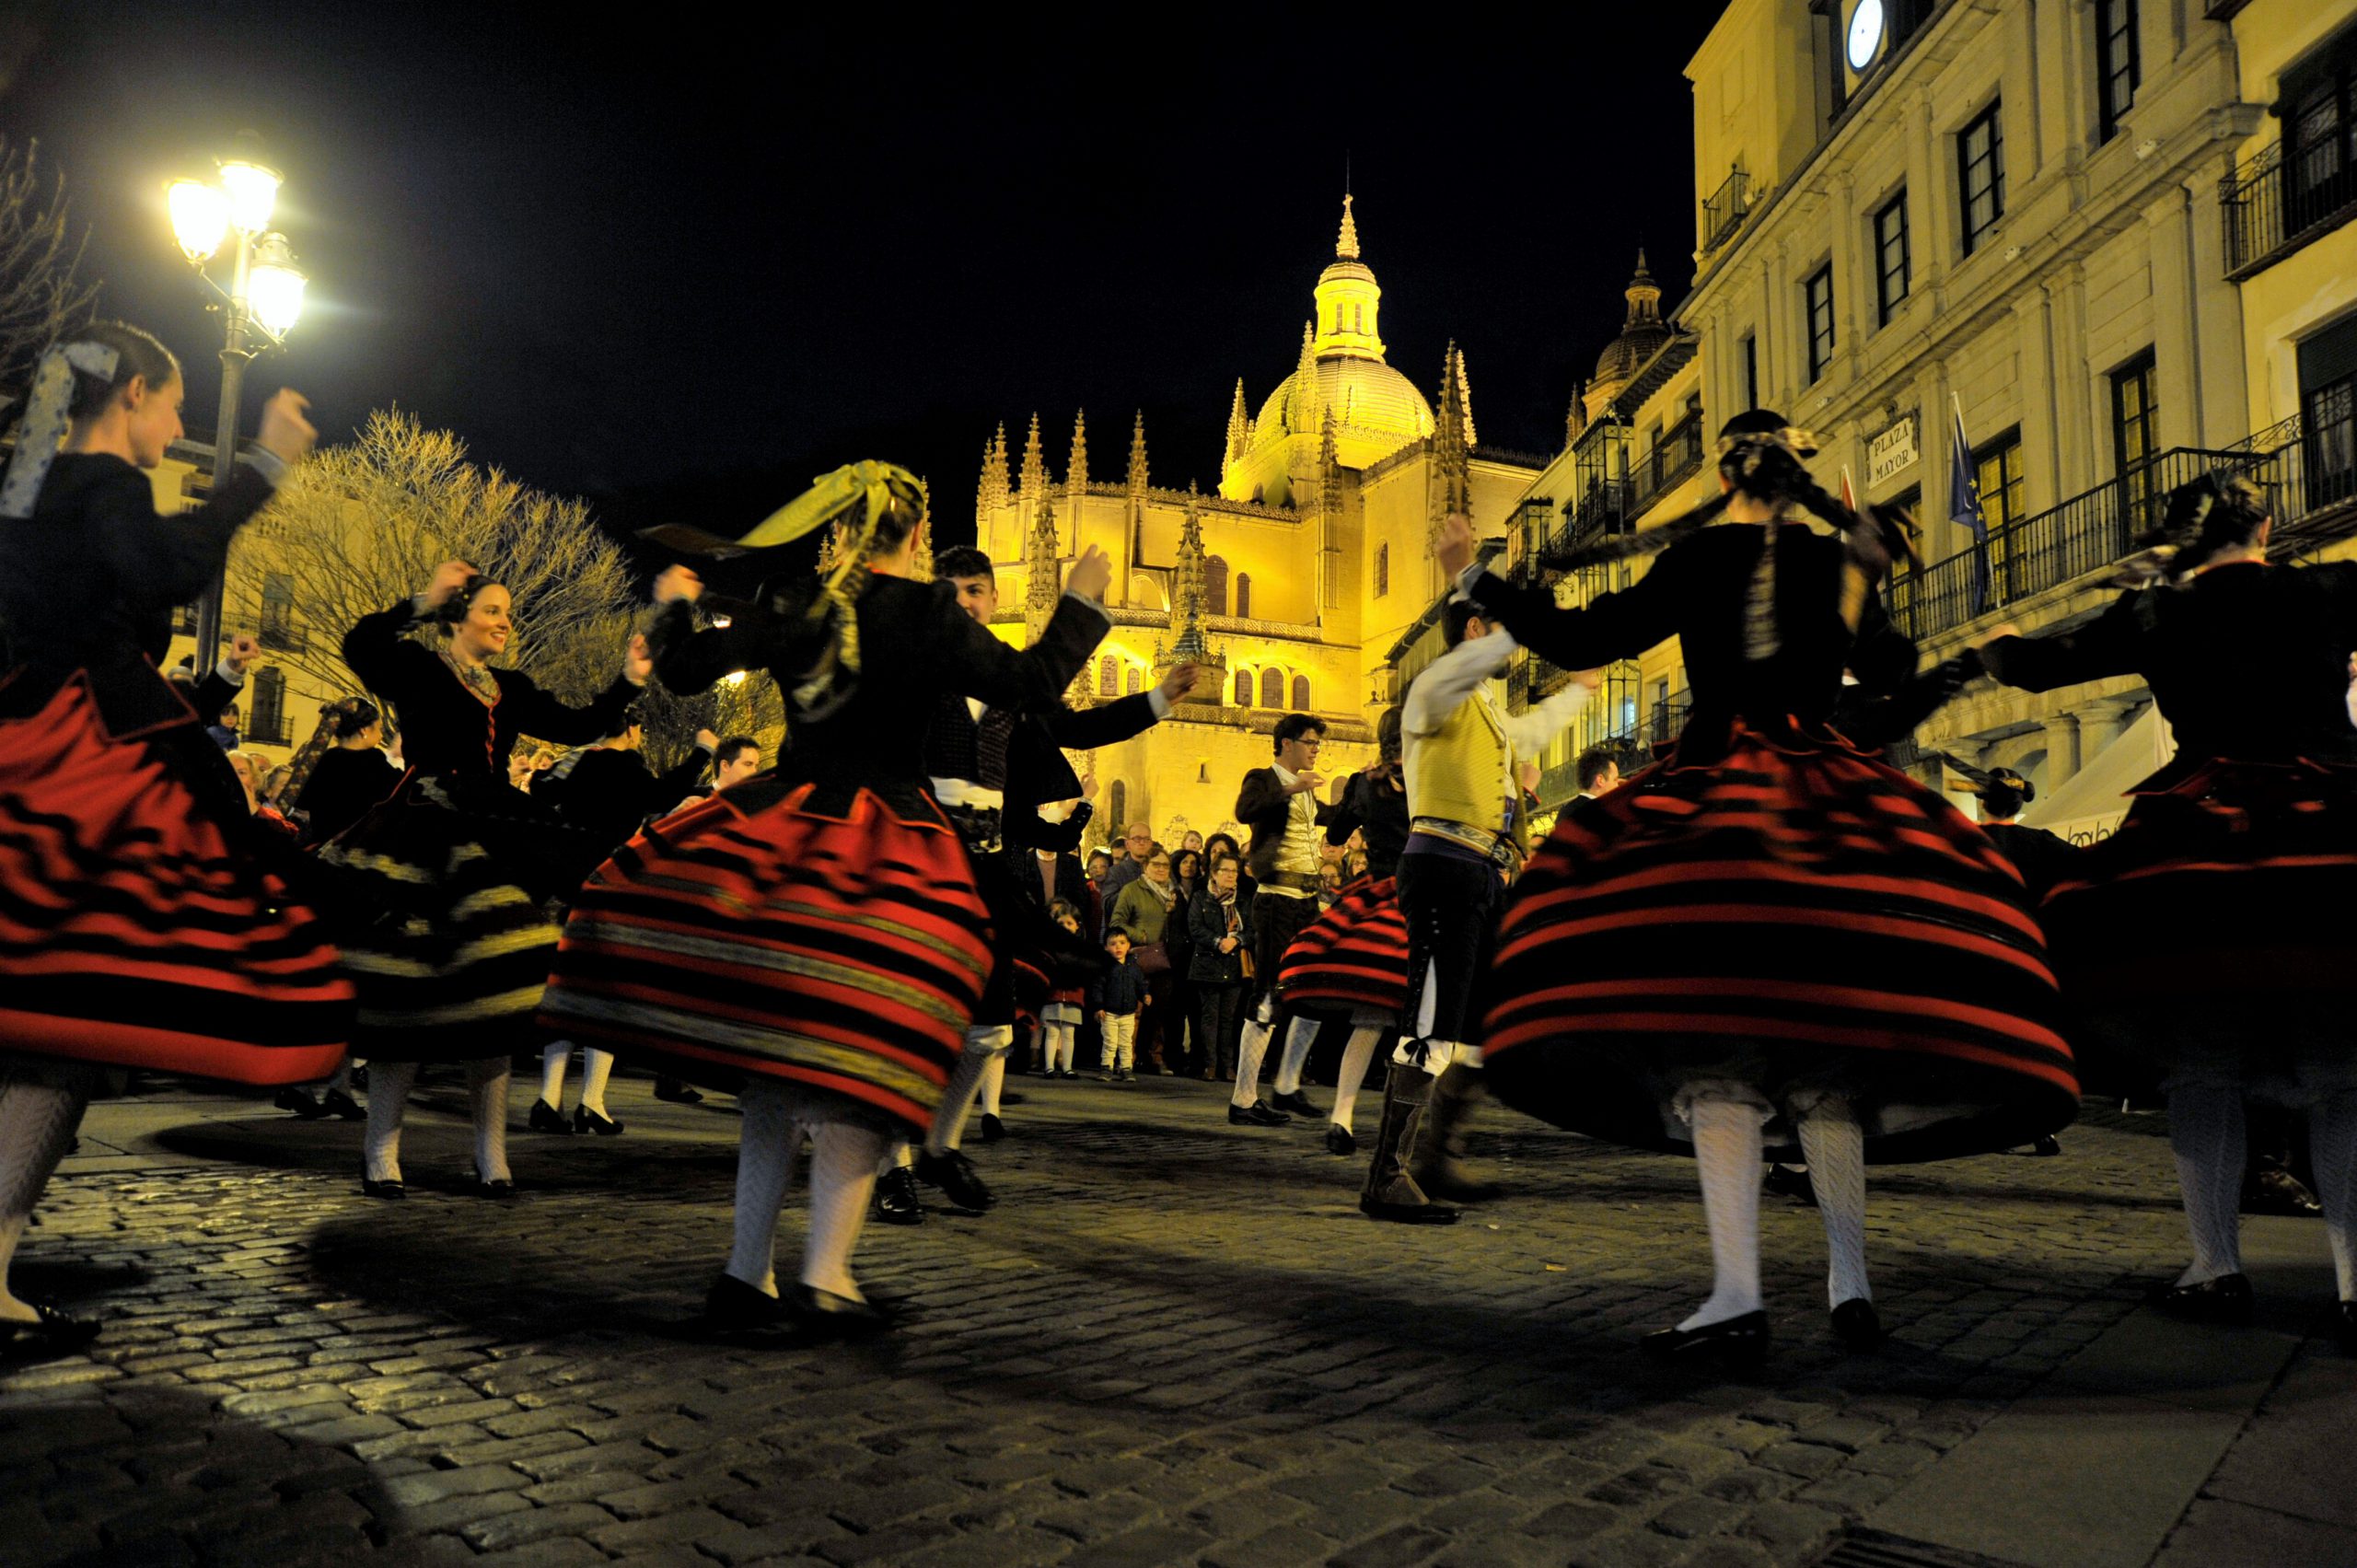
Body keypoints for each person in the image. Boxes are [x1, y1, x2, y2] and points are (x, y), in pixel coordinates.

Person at [1452, 412, 2075, 1363]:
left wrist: (1478, 577)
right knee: (1825, 1072)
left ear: (1723, 469)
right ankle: (1849, 1282)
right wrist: (1863, 572)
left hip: (1724, 808)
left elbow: (1585, 636)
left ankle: (1738, 1292)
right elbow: (1892, 670)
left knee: (1719, 1052)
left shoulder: (1697, 560)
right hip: (1831, 803)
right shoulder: (1830, 561)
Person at [540, 464, 1111, 1332]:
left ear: (840, 529)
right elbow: (1032, 684)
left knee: (776, 1066)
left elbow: (689, 669)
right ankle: (828, 1276)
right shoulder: (928, 613)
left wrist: (671, 599)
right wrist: (1080, 603)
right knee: (866, 1052)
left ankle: (746, 1272)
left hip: (785, 825)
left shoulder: (795, 597)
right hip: (888, 842)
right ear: (916, 537)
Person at [0, 323, 348, 1350]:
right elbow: (170, 568)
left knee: (33, 1020)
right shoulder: (100, 485)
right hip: (87, 761)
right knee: (68, 1028)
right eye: (177, 403)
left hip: (25, 736)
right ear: (134, 393)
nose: (182, 425)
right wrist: (265, 463)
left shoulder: (23, 495)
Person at [1978, 471, 2356, 1345]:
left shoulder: (2157, 613)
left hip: (2202, 853)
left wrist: (1998, 635)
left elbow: (2032, 666)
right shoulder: (2327, 587)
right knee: (2341, 1068)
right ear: (2267, 523)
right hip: (2330, 839)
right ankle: (2354, 1284)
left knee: (2204, 1061)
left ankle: (2216, 1268)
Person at [323, 559, 646, 1200]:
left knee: (498, 994)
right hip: (424, 830)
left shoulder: (511, 686)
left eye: (507, 612)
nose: (506, 621)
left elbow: (578, 725)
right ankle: (382, 1152)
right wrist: (422, 599)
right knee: (407, 994)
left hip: (495, 829)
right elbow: (361, 645)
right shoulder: (417, 667)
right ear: (460, 616)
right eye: (494, 609)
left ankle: (491, 1154)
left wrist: (628, 682)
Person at [910, 543, 1194, 1202]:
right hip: (920, 853)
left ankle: (938, 1145)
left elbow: (1078, 727)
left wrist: (1155, 699)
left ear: (994, 599)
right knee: (914, 1014)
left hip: (987, 867)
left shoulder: (1011, 687)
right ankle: (897, 1163)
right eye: (950, 592)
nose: (965, 602)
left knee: (988, 1032)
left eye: (975, 590)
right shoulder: (920, 675)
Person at [1355, 599, 1595, 1224]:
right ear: (1474, 632)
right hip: (1442, 868)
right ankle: (1389, 1173)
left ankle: (1433, 1156)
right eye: (1504, 629)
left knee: (1487, 1022)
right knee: (1431, 1022)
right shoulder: (1433, 689)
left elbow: (1528, 735)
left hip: (1480, 874)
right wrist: (1524, 615)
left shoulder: (1484, 706)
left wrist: (1579, 691)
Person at [528, 713, 718, 1137]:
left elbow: (541, 787)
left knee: (566, 991)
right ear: (629, 730)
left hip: (566, 881)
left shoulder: (578, 762)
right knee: (608, 995)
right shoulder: (625, 766)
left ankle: (548, 1098)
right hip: (610, 882)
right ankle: (592, 1102)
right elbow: (661, 793)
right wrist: (701, 752)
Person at [1275, 706, 1411, 1157]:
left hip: (1374, 891)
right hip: (1414, 895)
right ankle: (1413, 1132)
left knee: (1371, 1015)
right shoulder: (1428, 776)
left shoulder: (1363, 782)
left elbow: (1336, 830)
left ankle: (1343, 1116)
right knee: (1418, 1018)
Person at [1227, 715, 1338, 1127]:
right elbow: (1245, 810)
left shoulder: (1306, 789)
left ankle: (1287, 1085)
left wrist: (1368, 788)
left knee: (1314, 989)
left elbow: (1335, 818)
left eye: (1318, 745)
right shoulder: (1262, 777)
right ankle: (1243, 1099)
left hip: (1308, 901)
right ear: (1286, 743)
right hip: (1275, 902)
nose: (1315, 750)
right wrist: (1291, 787)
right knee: (1268, 996)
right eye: (1310, 742)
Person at [288, 699, 403, 848]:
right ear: (364, 730)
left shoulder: (324, 759)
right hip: (355, 849)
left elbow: (304, 805)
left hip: (322, 848)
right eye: (378, 728)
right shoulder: (373, 761)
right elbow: (401, 791)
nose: (381, 735)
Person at [1108, 844, 1179, 1073]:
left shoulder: (1173, 893)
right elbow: (1116, 922)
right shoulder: (1132, 890)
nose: (1161, 869)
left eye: (1165, 865)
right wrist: (1142, 937)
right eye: (1156, 864)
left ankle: (1151, 1057)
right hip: (1139, 957)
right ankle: (1127, 1058)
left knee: (1158, 1010)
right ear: (1145, 866)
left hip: (1165, 960)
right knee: (1133, 1011)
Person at [1188, 857, 1253, 1086]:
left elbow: (1252, 931)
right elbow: (1195, 928)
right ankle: (1210, 1064)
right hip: (1208, 965)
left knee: (1229, 1019)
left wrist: (1236, 940)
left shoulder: (1243, 902)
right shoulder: (1201, 897)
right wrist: (1218, 941)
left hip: (1234, 966)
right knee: (1209, 1017)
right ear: (1214, 874)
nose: (1230, 875)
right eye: (1225, 870)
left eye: (1234, 871)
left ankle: (1228, 1066)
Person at [1035, 902, 1088, 1080]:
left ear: (1077, 926)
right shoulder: (1050, 946)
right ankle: (1049, 1067)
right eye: (1061, 924)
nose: (1065, 927)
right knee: (1051, 1032)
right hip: (1053, 995)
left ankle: (1067, 1067)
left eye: (1069, 923)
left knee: (1068, 1033)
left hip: (1073, 996)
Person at [1091, 928, 1149, 1082]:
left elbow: (1141, 983)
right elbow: (1098, 988)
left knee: (1126, 1043)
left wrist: (1145, 995)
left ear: (1128, 945)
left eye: (1122, 943)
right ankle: (1106, 1067)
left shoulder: (1133, 967)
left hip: (1128, 1012)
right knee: (1110, 1041)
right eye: (1113, 944)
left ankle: (1126, 1068)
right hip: (1109, 1012)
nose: (1118, 947)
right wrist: (1098, 1006)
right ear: (1106, 947)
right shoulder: (1105, 967)